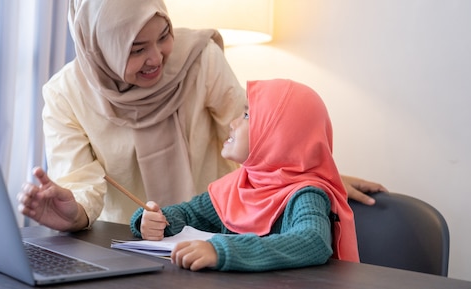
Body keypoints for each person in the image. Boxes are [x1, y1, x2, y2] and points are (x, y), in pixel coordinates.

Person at [18, 0, 386, 232]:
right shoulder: (65, 94)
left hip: (219, 229)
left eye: (163, 35)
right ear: (101, 49)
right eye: (136, 49)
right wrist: (73, 216)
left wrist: (317, 175)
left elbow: (262, 138)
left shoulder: (199, 58)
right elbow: (83, 186)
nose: (157, 58)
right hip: (128, 241)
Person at [132, 79, 359, 272]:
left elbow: (313, 242)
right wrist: (156, 220)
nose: (232, 123)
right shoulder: (237, 186)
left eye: (247, 115)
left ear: (277, 136)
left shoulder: (305, 194)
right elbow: (187, 215)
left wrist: (222, 251)